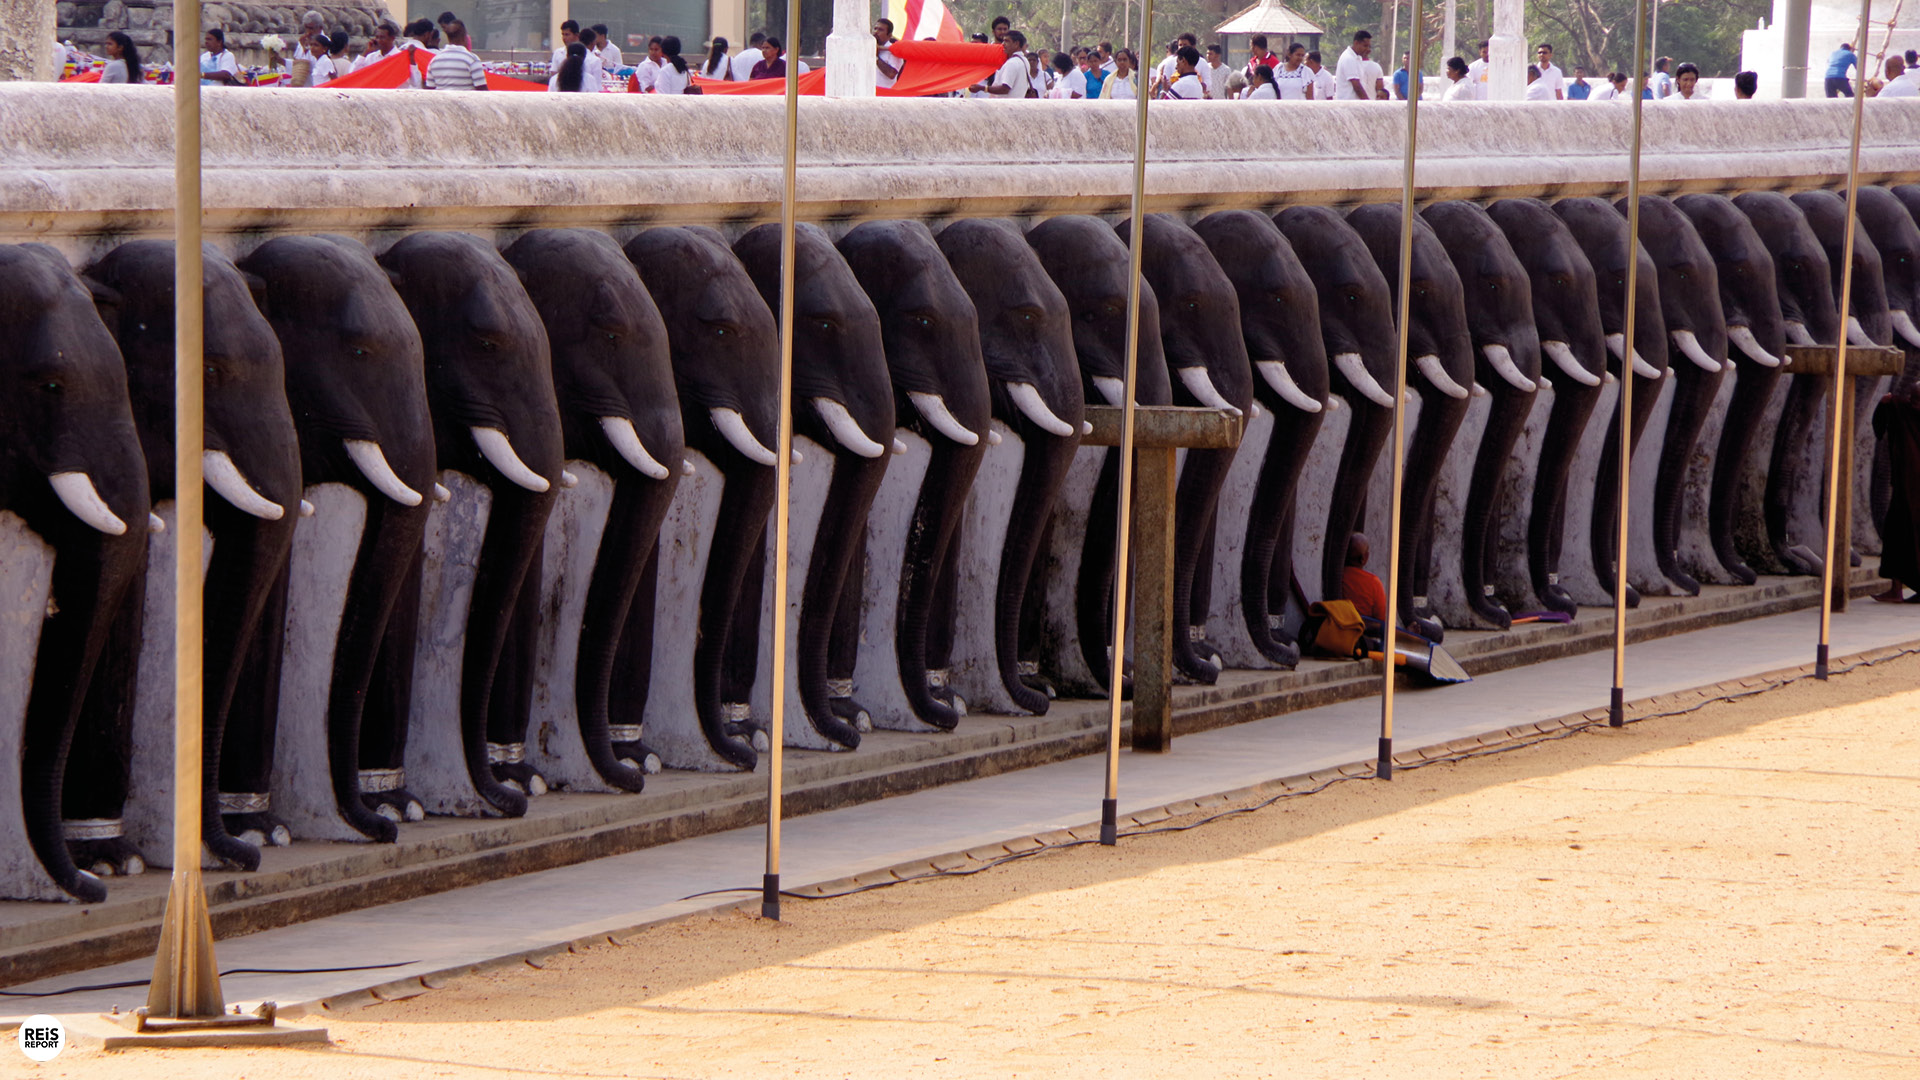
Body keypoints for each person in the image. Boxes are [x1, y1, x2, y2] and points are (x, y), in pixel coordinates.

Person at [1872, 382, 1920, 601]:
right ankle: (1898, 590)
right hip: (1906, 490)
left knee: (1896, 538)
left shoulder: (1902, 411)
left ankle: (1896, 590)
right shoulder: (1903, 411)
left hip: (1905, 492)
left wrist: (1885, 404)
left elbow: (1879, 425)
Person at [425, 19, 487, 89]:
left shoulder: (434, 61)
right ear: (465, 37)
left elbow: (430, 90)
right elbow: (482, 90)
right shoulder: (472, 60)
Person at [1341, 533, 1386, 623]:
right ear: (1363, 558)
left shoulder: (1338, 577)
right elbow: (1382, 620)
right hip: (1364, 633)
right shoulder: (1373, 583)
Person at [1334, 30, 1372, 100]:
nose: (1367, 49)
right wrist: (1368, 103)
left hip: (1355, 105)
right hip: (1348, 105)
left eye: (1369, 46)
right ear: (1356, 43)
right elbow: (1357, 86)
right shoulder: (1349, 58)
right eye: (1365, 46)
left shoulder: (1357, 58)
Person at [874, 19, 899, 88]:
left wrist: (876, 57)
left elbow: (891, 74)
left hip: (884, 94)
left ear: (889, 35)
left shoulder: (894, 50)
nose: (876, 32)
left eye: (880, 30)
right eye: (875, 28)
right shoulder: (867, 48)